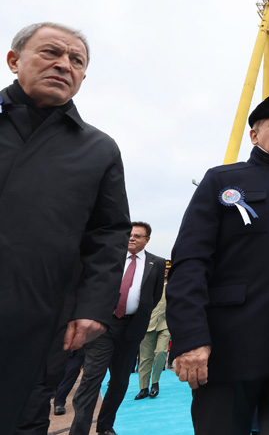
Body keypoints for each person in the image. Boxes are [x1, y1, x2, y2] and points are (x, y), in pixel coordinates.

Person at [166, 90, 269, 435]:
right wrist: (191, 336)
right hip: (230, 349)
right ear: (254, 135)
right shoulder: (222, 181)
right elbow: (191, 262)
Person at [0, 22, 131, 434]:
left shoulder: (98, 149)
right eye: (51, 52)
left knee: (23, 417)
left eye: (76, 60)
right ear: (14, 60)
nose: (64, 65)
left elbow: (108, 235)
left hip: (41, 323)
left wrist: (93, 308)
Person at [70, 222, 165, 435]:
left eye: (137, 236)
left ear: (147, 240)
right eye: (129, 234)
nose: (132, 238)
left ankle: (105, 426)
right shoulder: (110, 258)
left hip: (131, 329)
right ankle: (79, 431)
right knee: (92, 379)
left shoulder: (157, 263)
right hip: (103, 326)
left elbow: (155, 296)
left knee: (120, 381)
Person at [135, 261, 171, 400]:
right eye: (164, 269)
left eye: (168, 269)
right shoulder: (149, 285)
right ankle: (143, 388)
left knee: (161, 352)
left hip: (166, 324)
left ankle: (155, 382)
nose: (166, 271)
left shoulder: (173, 286)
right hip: (148, 324)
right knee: (145, 358)